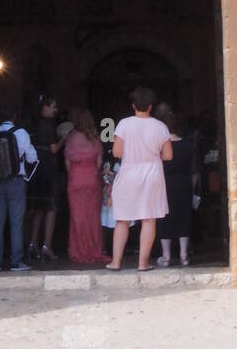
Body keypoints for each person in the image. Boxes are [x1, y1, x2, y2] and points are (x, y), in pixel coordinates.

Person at [106, 86, 172, 272]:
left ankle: (116, 262)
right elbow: (168, 155)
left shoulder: (124, 124)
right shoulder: (160, 127)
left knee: (122, 219)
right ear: (150, 106)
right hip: (152, 173)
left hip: (128, 172)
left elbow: (117, 152)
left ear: (133, 105)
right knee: (149, 219)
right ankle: (143, 263)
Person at [0, 112, 37, 273]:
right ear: (15, 116)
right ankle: (16, 262)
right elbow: (32, 157)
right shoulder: (20, 133)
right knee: (16, 222)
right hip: (16, 180)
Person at [63, 108, 111, 266]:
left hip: (76, 178)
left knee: (77, 217)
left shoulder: (71, 137)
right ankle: (94, 250)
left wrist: (75, 174)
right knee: (92, 217)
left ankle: (78, 251)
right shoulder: (95, 138)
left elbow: (67, 162)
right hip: (91, 178)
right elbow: (99, 163)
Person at [154, 103, 195, 267]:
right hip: (184, 183)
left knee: (165, 218)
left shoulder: (160, 146)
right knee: (184, 217)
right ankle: (184, 255)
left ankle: (166, 256)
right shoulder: (186, 144)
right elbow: (194, 170)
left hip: (165, 184)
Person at [28, 93, 61, 262]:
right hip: (47, 167)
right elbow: (54, 149)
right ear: (45, 107)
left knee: (38, 208)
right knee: (51, 207)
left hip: (35, 168)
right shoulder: (49, 125)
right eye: (53, 106)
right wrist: (64, 138)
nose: (56, 110)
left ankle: (32, 244)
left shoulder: (32, 123)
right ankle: (46, 246)